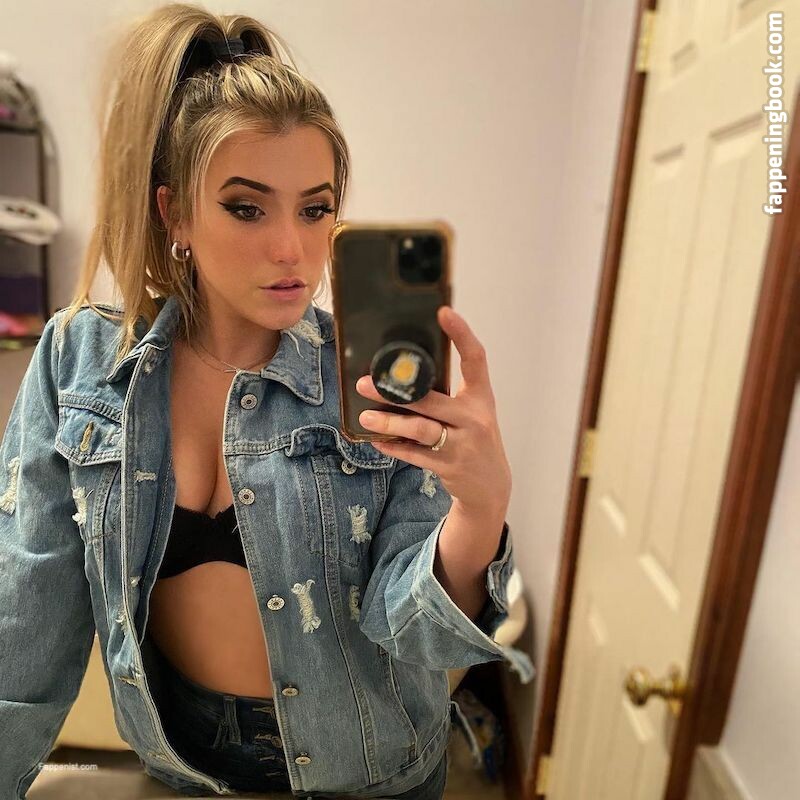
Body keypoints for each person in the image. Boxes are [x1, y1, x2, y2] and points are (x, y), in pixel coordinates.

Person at [0, 3, 534, 798]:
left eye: (315, 209)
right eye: (247, 207)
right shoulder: (80, 366)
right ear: (175, 212)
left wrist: (479, 511)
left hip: (373, 775)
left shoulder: (369, 382)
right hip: (185, 771)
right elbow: (24, 629)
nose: (292, 249)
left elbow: (416, 633)